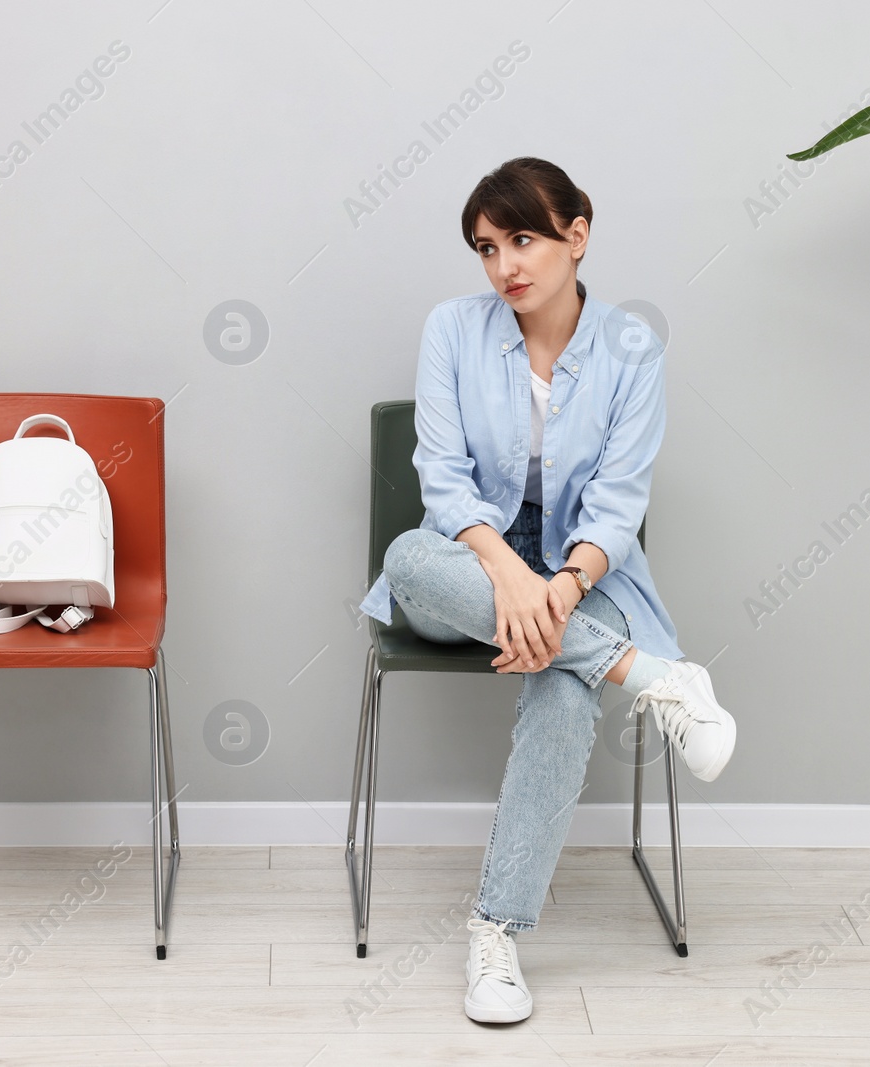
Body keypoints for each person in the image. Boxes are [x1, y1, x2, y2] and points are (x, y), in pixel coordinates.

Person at [356, 157, 736, 1025]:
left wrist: (559, 586)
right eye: (488, 248)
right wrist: (511, 574)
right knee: (407, 558)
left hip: (580, 575)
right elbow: (444, 484)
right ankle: (650, 677)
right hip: (464, 569)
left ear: (577, 234)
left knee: (564, 694)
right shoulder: (452, 329)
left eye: (522, 239)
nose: (504, 268)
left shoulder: (632, 347)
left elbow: (618, 504)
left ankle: (495, 933)